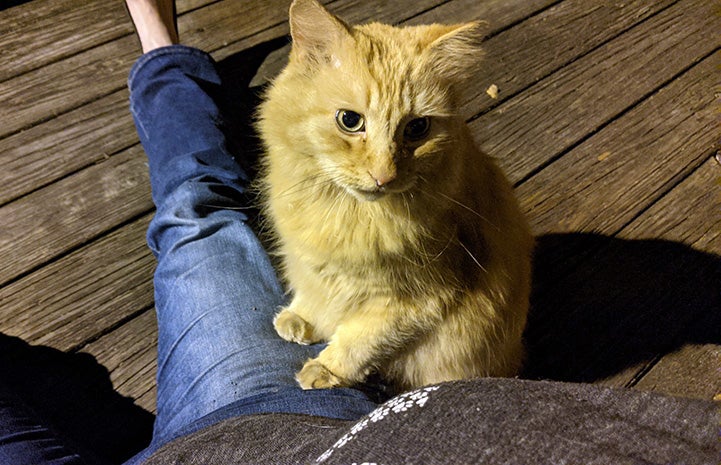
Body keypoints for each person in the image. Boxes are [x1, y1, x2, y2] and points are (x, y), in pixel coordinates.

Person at [0, 1, 717, 464]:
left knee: (195, 209)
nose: (382, 167)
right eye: (351, 121)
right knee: (205, 209)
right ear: (304, 63)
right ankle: (161, 51)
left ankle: (161, 51)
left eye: (415, 132)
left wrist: (341, 358)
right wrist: (316, 306)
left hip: (398, 377)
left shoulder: (431, 185)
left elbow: (422, 302)